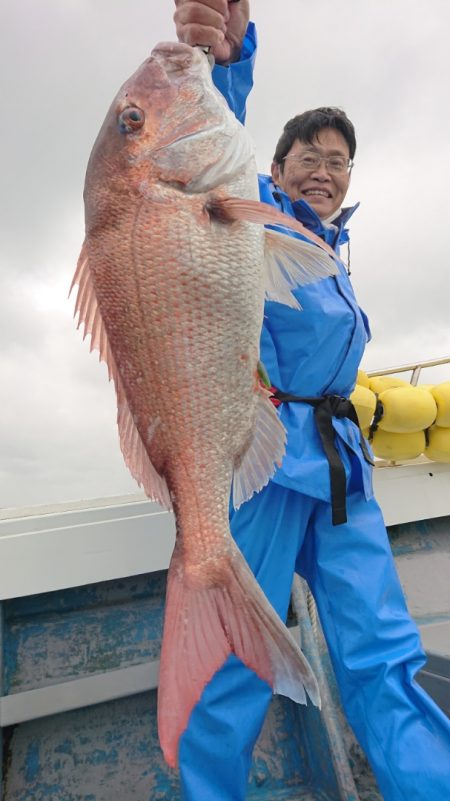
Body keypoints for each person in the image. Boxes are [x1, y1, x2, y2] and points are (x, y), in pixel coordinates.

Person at [172, 2, 450, 800]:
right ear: (279, 165)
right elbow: (209, 138)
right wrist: (222, 63)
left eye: (338, 160)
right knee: (233, 662)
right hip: (259, 464)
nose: (322, 169)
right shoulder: (248, 210)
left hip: (341, 470)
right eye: (307, 156)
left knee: (383, 652)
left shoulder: (332, 244)